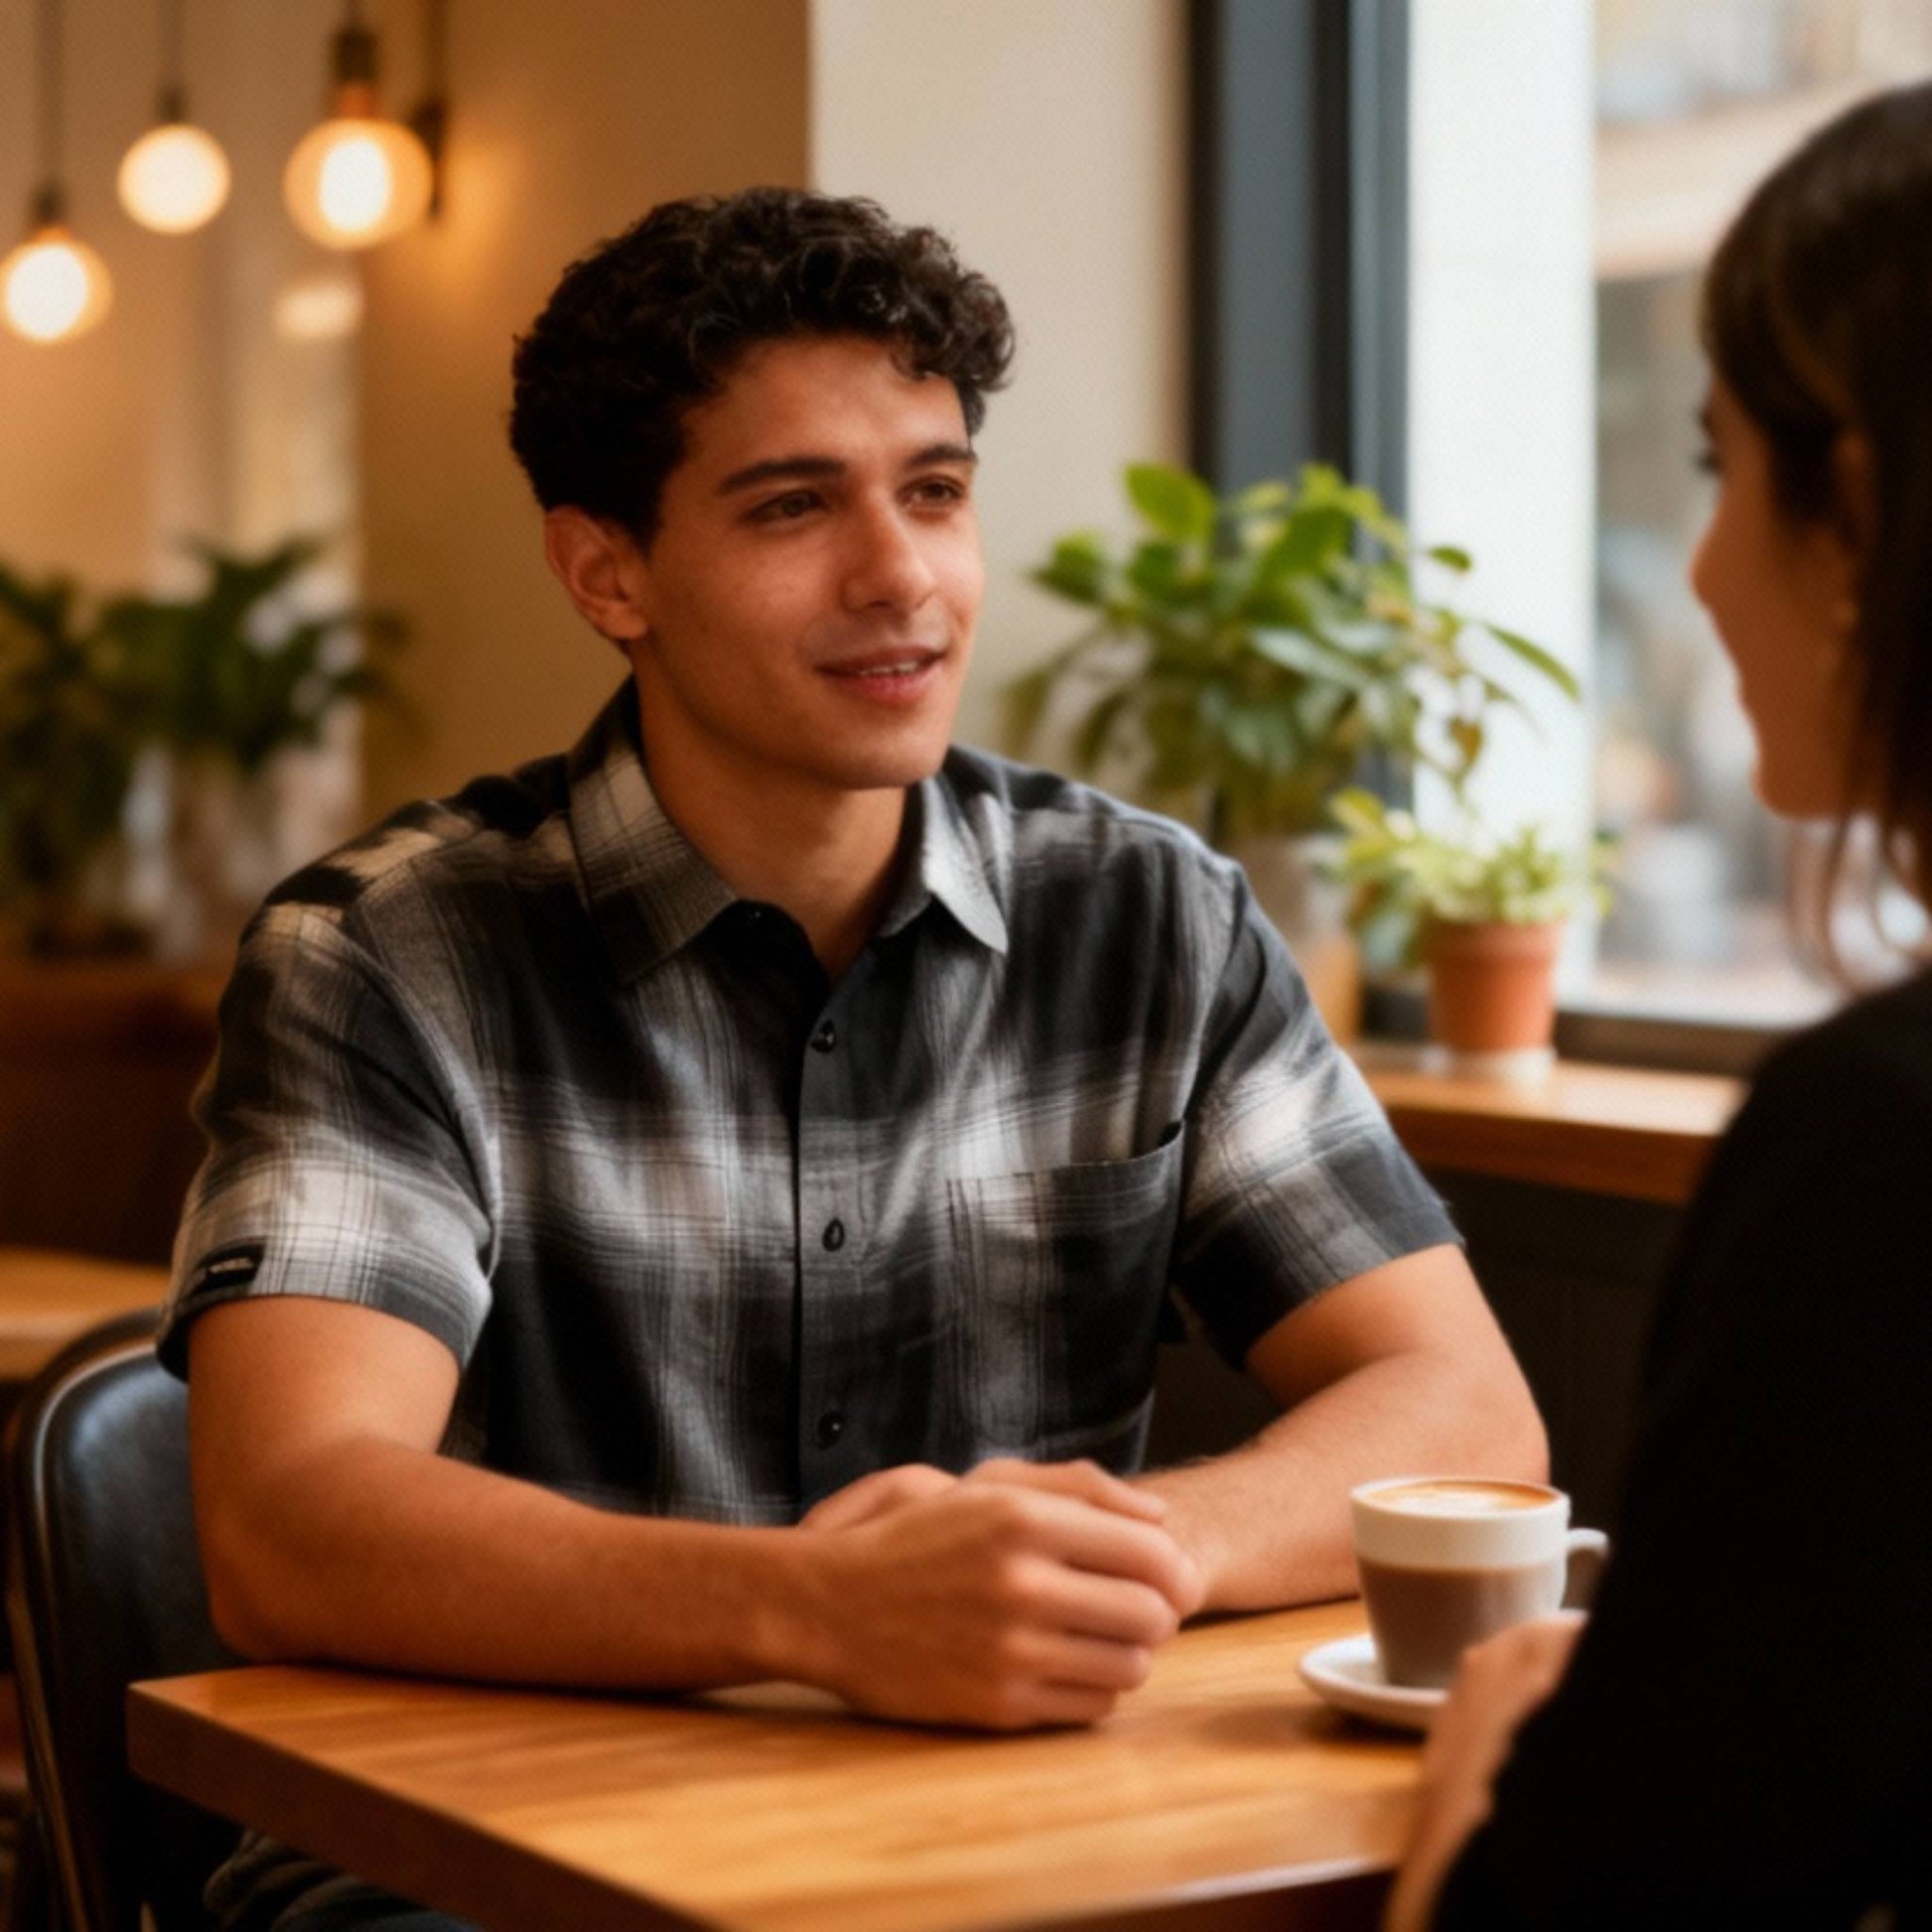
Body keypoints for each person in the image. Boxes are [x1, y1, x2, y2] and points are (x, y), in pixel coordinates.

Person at [163, 189, 1542, 1930]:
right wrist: (818, 1611)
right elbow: (290, 1521)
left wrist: (1124, 1559)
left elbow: (1467, 1412)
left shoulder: (1146, 915)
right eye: (793, 504)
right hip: (475, 1864)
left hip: (1009, 1835)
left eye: (936, 490)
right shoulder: (386, 954)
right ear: (607, 570)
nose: (899, 576)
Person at [1389, 80, 1932, 1931]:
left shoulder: (1882, 1141)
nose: (1696, 567)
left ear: (1852, 508)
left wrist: (1486, 1790)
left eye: (1715, 468)